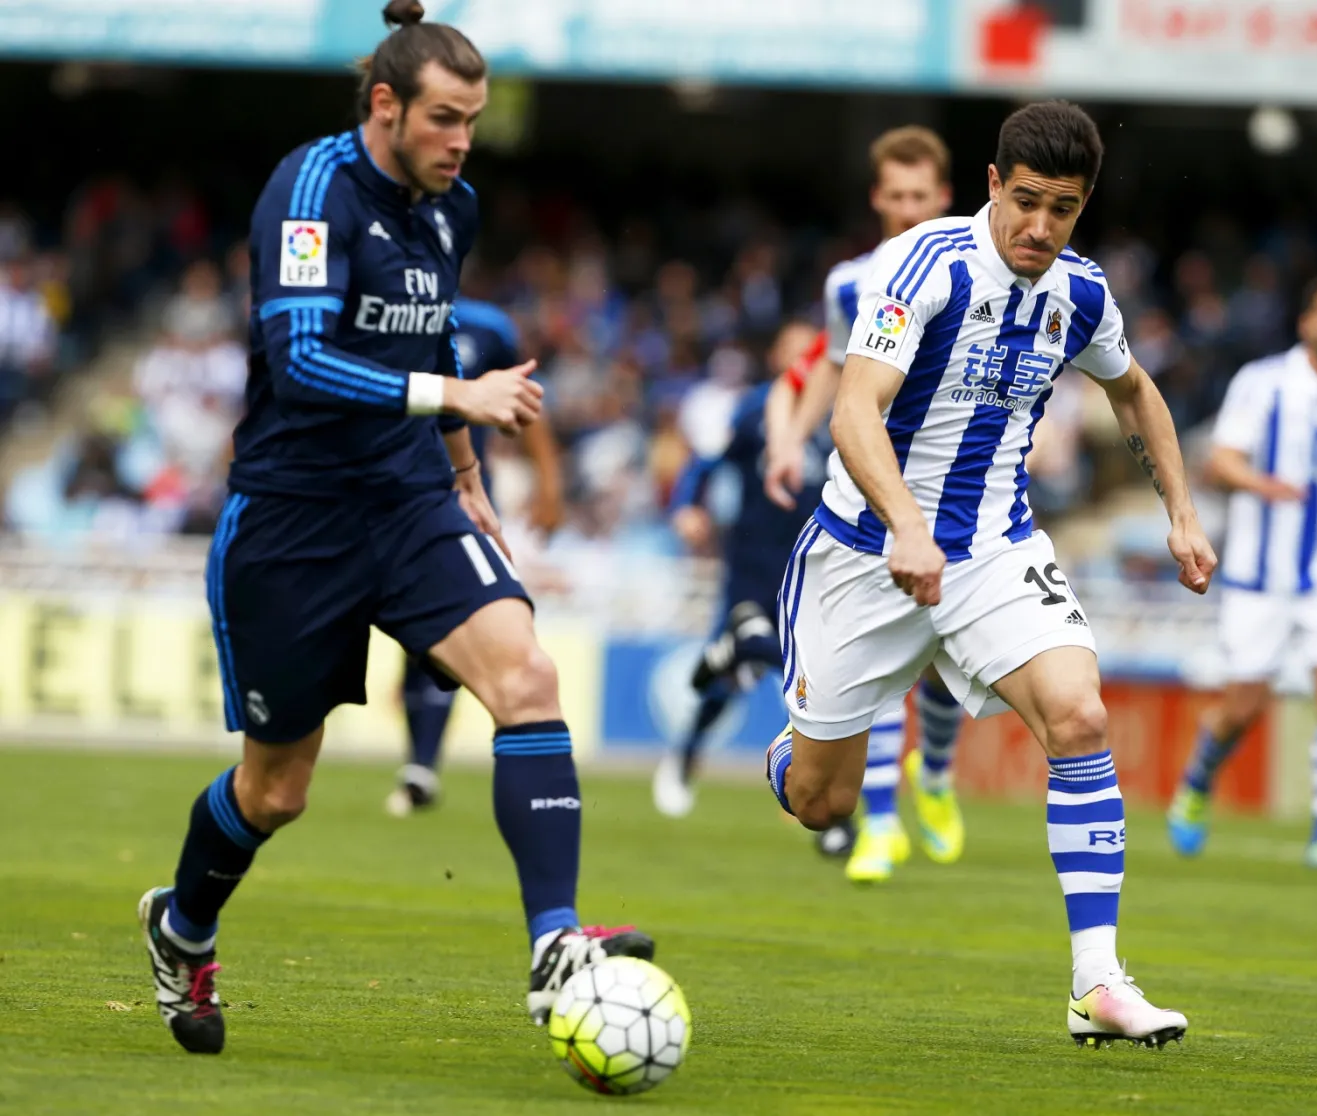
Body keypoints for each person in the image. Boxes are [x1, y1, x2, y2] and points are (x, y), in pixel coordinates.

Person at [136, 1, 652, 1057]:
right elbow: (302, 361)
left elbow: (440, 349)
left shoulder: (448, 205)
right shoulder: (311, 188)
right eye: (446, 120)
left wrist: (463, 474)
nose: (463, 143)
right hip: (294, 519)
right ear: (386, 106)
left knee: (526, 678)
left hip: (411, 499)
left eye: (474, 121)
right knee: (276, 790)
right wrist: (454, 406)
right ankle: (182, 927)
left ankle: (555, 942)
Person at [766, 100, 1216, 1047]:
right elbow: (854, 413)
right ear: (990, 186)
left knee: (1080, 716)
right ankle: (790, 752)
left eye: (1063, 209)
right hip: (863, 554)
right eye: (1025, 203)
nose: (1039, 228)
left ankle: (1098, 982)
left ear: (1083, 206)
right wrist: (906, 526)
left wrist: (1181, 513)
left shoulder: (1081, 294)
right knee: (821, 803)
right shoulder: (921, 265)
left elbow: (1135, 391)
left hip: (996, 551)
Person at [764, 126, 967, 883]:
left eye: (923, 196)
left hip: (961, 495)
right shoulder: (852, 283)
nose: (910, 209)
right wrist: (790, 438)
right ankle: (881, 822)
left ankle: (936, 774)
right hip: (875, 501)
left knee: (950, 667)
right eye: (898, 196)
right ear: (878, 198)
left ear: (944, 197)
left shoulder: (981, 269)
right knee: (874, 664)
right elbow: (834, 369)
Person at [1167, 271, 1317, 871]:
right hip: (1259, 577)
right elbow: (1219, 463)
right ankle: (1198, 781)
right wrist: (1264, 484)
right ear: (1306, 322)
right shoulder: (1263, 384)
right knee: (1245, 706)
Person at [387, 295, 564, 816]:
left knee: (459, 625)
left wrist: (550, 483)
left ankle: (422, 764)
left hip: (456, 496)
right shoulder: (370, 309)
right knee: (417, 642)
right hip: (376, 495)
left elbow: (525, 402)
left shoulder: (489, 327)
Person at [652, 321, 827, 818]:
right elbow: (703, 465)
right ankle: (686, 755)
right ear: (776, 357)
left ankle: (827, 801)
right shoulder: (753, 412)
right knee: (740, 681)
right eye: (793, 351)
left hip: (812, 566)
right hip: (752, 562)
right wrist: (687, 506)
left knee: (804, 676)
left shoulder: (838, 413)